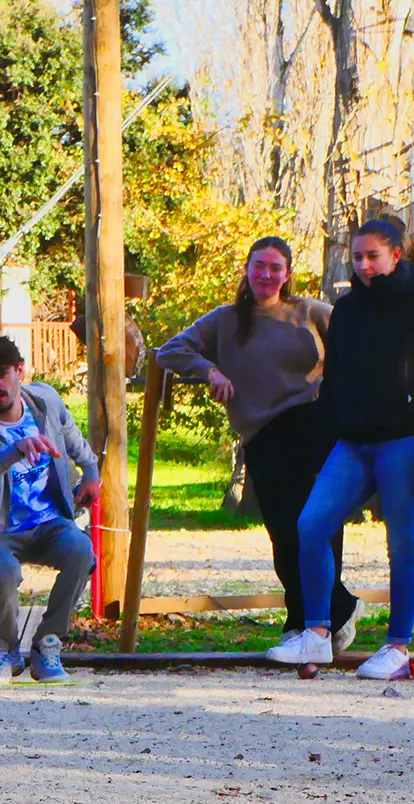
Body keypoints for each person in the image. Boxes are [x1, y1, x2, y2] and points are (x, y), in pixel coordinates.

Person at [156, 236, 362, 661]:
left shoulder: (309, 313)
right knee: (283, 532)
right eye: (259, 266)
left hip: (314, 425)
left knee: (320, 527)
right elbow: (171, 351)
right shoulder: (225, 321)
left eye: (275, 267)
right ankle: (334, 611)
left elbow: (360, 340)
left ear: (287, 274)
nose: (267, 275)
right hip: (263, 435)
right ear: (247, 270)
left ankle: (309, 623)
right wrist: (209, 370)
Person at [287, 219, 414, 678]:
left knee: (401, 542)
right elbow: (335, 381)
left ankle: (398, 647)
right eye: (357, 257)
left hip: (406, 441)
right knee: (311, 524)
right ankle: (318, 634)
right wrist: (323, 441)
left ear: (395, 255)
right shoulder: (347, 310)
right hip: (353, 442)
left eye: (372, 256)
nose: (363, 265)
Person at [0, 336, 100, 684]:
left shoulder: (43, 401)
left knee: (81, 552)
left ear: (20, 371)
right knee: (3, 573)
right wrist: (14, 450)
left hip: (49, 523)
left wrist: (90, 471)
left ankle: (48, 645)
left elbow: (71, 433)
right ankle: (3, 650)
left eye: (3, 374)